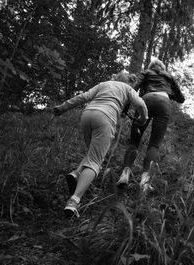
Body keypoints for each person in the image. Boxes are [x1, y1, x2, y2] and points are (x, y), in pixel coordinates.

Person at [53, 71, 148, 217]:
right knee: (95, 161)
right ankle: (74, 201)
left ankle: (76, 173)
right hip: (105, 117)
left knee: (92, 153)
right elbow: (140, 104)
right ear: (129, 82)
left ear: (116, 78)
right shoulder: (128, 89)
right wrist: (143, 118)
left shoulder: (104, 84)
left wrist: (63, 107)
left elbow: (83, 97)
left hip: (87, 114)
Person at [116, 58, 185, 193]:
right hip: (164, 103)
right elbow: (181, 99)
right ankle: (145, 181)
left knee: (134, 141)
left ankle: (124, 175)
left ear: (151, 67)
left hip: (146, 100)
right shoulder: (168, 76)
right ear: (162, 68)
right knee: (154, 144)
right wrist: (168, 94)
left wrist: (124, 109)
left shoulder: (146, 72)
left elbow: (133, 89)